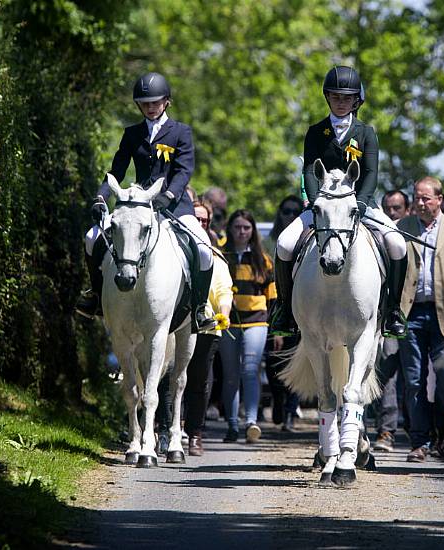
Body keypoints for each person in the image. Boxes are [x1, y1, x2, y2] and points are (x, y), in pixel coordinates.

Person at [270, 65, 408, 339]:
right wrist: (314, 201)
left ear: (356, 100)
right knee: (285, 243)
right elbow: (309, 170)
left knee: (397, 243)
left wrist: (362, 202)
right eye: (336, 96)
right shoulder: (315, 132)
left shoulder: (366, 132)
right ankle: (285, 310)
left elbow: (370, 172)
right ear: (327, 98)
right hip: (323, 206)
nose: (341, 102)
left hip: (358, 204)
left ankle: (392, 311)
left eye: (346, 97)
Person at [76, 71, 215, 332]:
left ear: (166, 102)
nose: (150, 108)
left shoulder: (181, 132)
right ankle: (95, 295)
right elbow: (115, 170)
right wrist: (101, 197)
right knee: (92, 236)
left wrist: (168, 196)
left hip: (174, 205)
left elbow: (183, 171)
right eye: (145, 103)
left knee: (204, 248)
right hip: (138, 205)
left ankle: (200, 307)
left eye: (155, 102)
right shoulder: (132, 134)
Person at [397, 177, 444, 462]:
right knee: (414, 381)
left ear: (440, 200)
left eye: (426, 198)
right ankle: (419, 442)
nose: (420, 202)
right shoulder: (402, 228)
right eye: (417, 197)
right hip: (411, 313)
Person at [180, 201, 233, 456]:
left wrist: (224, 314)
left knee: (199, 381)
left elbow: (224, 290)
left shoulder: (215, 257)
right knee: (171, 378)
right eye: (195, 219)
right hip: (176, 325)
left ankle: (194, 433)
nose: (199, 224)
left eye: (204, 221)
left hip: (207, 326)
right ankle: (167, 427)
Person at [219, 210, 276, 443]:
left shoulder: (263, 259)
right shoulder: (221, 255)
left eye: (246, 228)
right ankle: (232, 424)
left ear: (252, 231)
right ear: (230, 229)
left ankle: (251, 422)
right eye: (237, 227)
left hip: (257, 320)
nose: (241, 232)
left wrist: (273, 326)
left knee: (251, 370)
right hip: (227, 321)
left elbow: (272, 295)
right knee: (230, 374)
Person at [373, 190, 411, 452]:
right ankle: (386, 430)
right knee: (385, 375)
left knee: (417, 377)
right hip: (387, 314)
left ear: (406, 210)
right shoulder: (378, 236)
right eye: (388, 208)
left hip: (419, 312)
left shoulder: (410, 234)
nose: (392, 213)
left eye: (397, 208)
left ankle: (422, 433)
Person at [262, 196, 303, 432]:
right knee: (273, 361)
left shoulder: (306, 238)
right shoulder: (269, 243)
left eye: (294, 211)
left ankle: (290, 411)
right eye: (286, 211)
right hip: (274, 306)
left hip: (300, 308)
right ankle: (278, 399)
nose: (289, 215)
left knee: (297, 359)